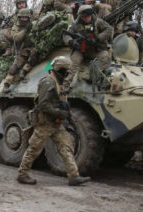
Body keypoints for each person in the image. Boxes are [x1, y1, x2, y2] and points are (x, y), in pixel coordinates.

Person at [17, 56, 91, 186]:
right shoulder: (48, 82)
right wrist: (59, 112)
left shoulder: (59, 82)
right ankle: (22, 174)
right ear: (59, 69)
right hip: (45, 123)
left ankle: (74, 176)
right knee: (34, 149)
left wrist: (63, 114)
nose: (68, 73)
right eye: (66, 70)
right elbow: (43, 105)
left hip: (56, 123)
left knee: (66, 147)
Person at [64, 5, 113, 88]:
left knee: (105, 56)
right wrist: (71, 42)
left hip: (95, 49)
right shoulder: (75, 24)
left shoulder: (98, 21)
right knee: (75, 61)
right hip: (80, 49)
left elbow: (109, 29)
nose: (86, 18)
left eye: (88, 16)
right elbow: (66, 34)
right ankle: (67, 82)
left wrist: (98, 38)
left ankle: (93, 76)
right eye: (83, 17)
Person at [3, 8, 38, 92]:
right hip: (21, 49)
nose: (23, 19)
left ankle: (24, 71)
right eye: (22, 17)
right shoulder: (16, 26)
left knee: (34, 56)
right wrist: (25, 30)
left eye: (25, 17)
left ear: (29, 18)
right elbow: (16, 38)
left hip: (33, 48)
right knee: (14, 67)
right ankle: (6, 85)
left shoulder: (33, 24)